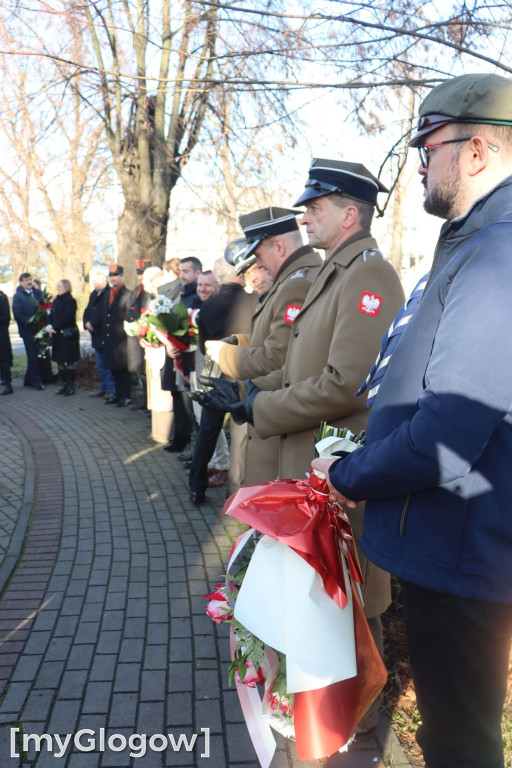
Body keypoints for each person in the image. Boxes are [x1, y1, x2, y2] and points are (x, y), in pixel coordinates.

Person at [311, 74, 512, 768]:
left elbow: (450, 435)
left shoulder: (497, 250)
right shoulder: (474, 239)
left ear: (477, 150)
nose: (421, 164)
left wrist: (350, 474)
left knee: (458, 741)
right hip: (449, 540)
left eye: (428, 147)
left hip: (464, 552)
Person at [198, 159, 404, 732]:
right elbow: (294, 367)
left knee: (353, 602)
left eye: (315, 208)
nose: (306, 218)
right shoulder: (335, 272)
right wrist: (250, 395)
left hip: (335, 469)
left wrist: (259, 406)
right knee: (320, 603)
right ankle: (322, 711)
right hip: (307, 466)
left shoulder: (369, 274)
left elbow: (345, 382)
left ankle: (356, 723)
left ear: (349, 213)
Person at [205, 208, 323, 488]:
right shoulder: (289, 281)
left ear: (279, 246)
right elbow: (283, 340)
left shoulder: (296, 283)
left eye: (257, 257)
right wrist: (241, 343)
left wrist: (226, 357)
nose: (257, 266)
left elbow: (279, 356)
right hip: (271, 403)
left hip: (279, 412)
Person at [161, 257, 202, 451]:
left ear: (197, 273)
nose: (182, 276)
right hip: (180, 356)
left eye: (186, 272)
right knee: (183, 404)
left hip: (194, 358)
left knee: (194, 409)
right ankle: (185, 443)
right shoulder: (182, 294)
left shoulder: (198, 295)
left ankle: (193, 448)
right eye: (181, 272)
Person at [103, 264, 132, 407]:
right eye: (111, 276)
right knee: (114, 369)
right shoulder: (108, 293)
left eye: (116, 276)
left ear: (122, 277)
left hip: (122, 339)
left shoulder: (127, 294)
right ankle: (118, 394)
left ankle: (126, 396)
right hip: (111, 338)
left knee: (124, 370)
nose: (113, 279)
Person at [83, 270, 115, 398]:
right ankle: (103, 387)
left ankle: (110, 389)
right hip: (95, 335)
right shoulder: (94, 294)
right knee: (100, 364)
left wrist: (93, 323)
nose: (93, 284)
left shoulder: (108, 294)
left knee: (107, 364)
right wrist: (86, 322)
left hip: (104, 333)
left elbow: (103, 313)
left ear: (102, 281)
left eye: (95, 282)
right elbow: (88, 310)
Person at [47, 279, 80, 396]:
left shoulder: (71, 301)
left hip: (68, 335)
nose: (57, 288)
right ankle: (64, 385)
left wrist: (54, 327)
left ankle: (71, 386)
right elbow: (51, 315)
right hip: (57, 336)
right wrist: (49, 325)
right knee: (60, 361)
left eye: (59, 286)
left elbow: (67, 317)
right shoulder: (56, 300)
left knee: (69, 361)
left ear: (66, 287)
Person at [11, 272, 45, 390]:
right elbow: (17, 314)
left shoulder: (37, 293)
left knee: (37, 355)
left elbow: (43, 307)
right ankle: (36, 381)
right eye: (26, 280)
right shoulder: (18, 296)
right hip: (27, 331)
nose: (29, 281)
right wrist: (30, 322)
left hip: (39, 330)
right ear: (21, 282)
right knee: (32, 356)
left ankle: (27, 380)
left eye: (30, 279)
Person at [126, 259, 152, 410]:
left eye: (143, 273)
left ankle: (149, 403)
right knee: (141, 370)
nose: (140, 277)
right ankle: (145, 400)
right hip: (138, 335)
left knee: (148, 371)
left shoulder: (149, 290)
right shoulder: (137, 289)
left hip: (147, 335)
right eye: (139, 273)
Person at [0, 289, 13, 395]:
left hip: (1, 335)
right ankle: (3, 379)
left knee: (3, 360)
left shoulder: (2, 298)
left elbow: (7, 317)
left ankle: (8, 384)